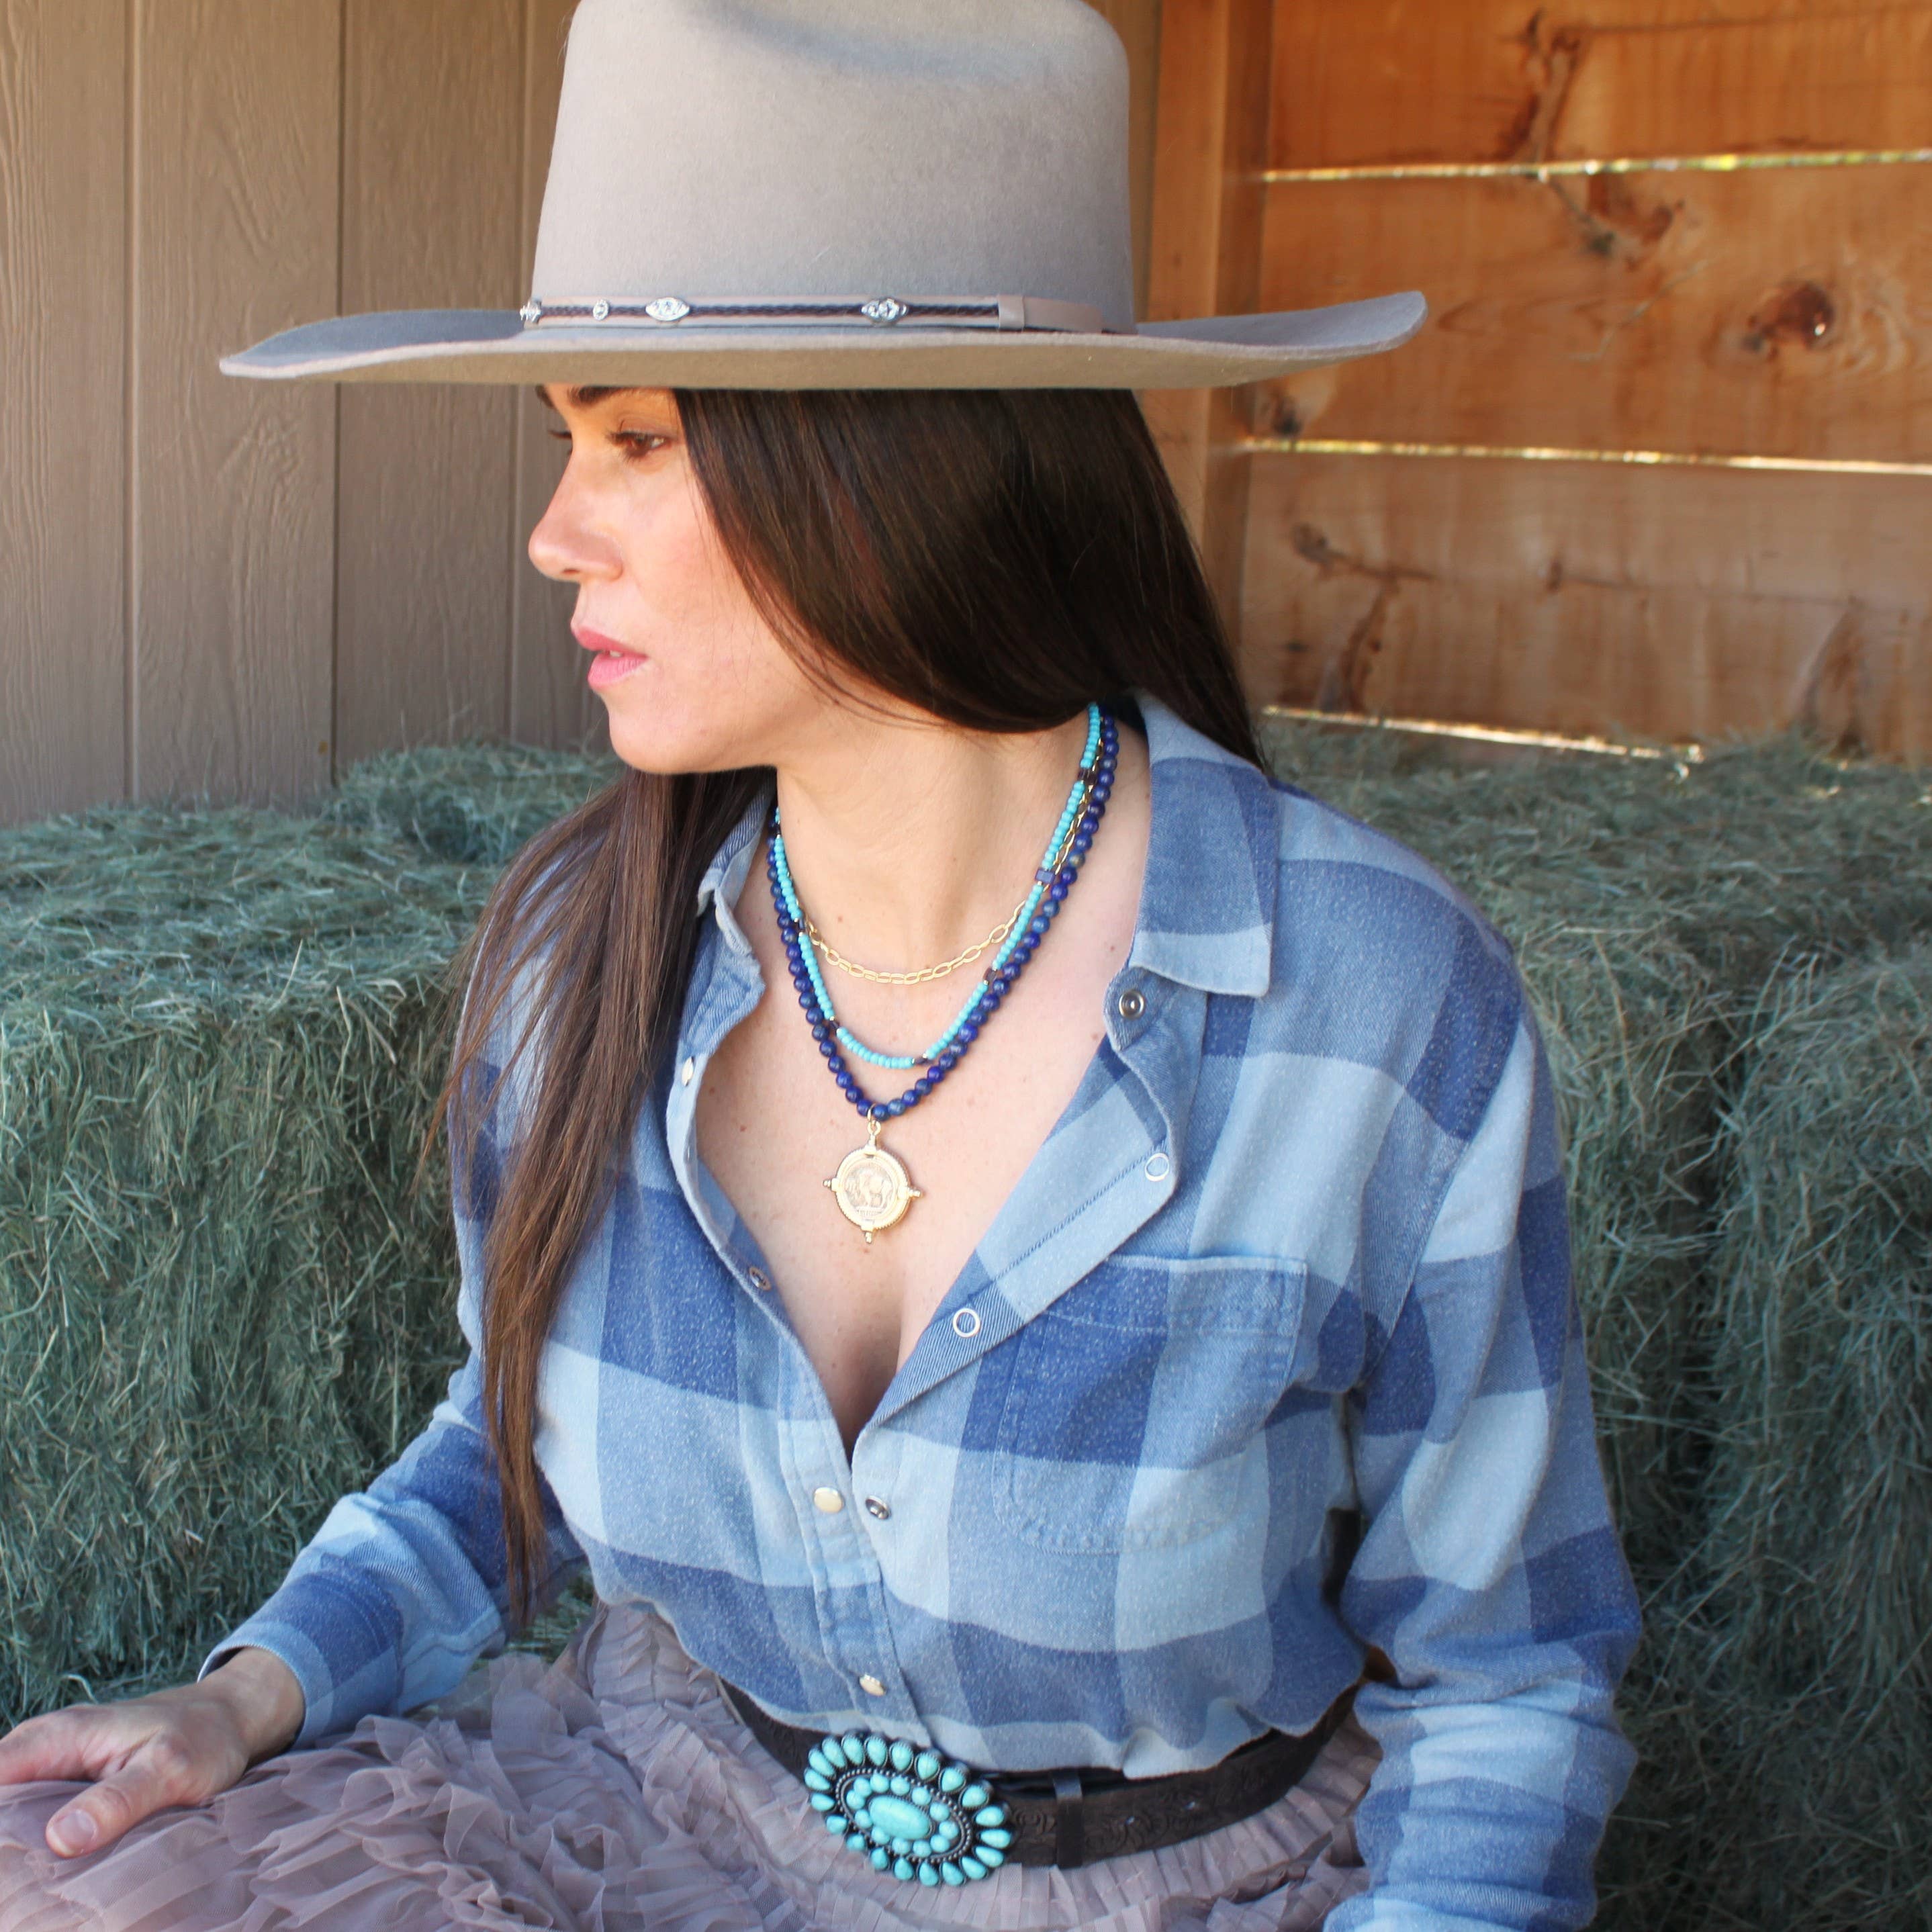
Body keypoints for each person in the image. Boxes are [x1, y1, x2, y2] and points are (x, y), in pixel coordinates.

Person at [0, 2, 1639, 1927]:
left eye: (637, 444)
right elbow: (505, 1441)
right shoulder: (571, 956)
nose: (552, 535)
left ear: (889, 467)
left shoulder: (1371, 1002)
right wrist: (250, 1690)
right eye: (566, 443)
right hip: (665, 1829)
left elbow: (1512, 1672)